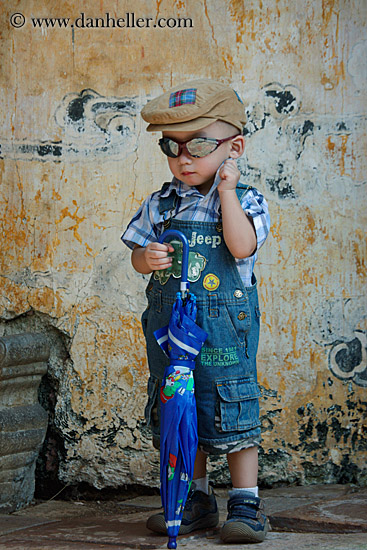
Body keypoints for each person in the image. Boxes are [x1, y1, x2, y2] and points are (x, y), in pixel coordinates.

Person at [121, 79, 270, 544]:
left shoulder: (246, 202)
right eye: (173, 145)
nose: (184, 157)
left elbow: (241, 246)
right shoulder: (161, 203)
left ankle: (246, 503)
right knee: (180, 411)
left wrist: (226, 192)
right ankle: (195, 499)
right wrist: (146, 259)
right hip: (170, 334)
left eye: (200, 144)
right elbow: (134, 253)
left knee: (232, 409)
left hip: (224, 336)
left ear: (234, 147)